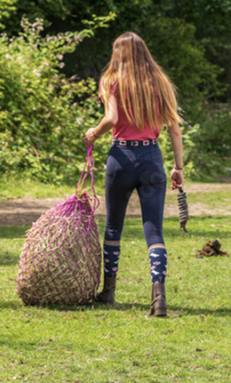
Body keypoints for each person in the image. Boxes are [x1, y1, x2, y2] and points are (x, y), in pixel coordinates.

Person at [85, 32, 184, 317]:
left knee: (114, 226)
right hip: (152, 158)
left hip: (121, 160)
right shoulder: (161, 83)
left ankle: (108, 292)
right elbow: (174, 129)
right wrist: (178, 168)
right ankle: (159, 299)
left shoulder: (111, 80)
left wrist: (93, 133)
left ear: (119, 54)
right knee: (154, 231)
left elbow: (112, 119)